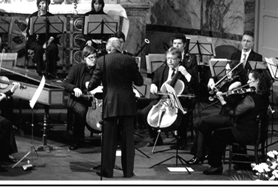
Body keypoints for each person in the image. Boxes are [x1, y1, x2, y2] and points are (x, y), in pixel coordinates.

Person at [86, 37, 144, 178]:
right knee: (128, 140)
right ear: (119, 47)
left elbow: (93, 84)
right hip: (128, 103)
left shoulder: (102, 60)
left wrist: (88, 85)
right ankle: (128, 171)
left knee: (109, 140)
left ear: (109, 47)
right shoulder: (130, 60)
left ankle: (107, 171)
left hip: (111, 102)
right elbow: (139, 81)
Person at [201, 69, 272, 174]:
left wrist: (222, 101)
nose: (247, 82)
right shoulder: (264, 96)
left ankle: (215, 165)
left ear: (257, 81)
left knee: (217, 134)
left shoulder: (251, 99)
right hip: (259, 131)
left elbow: (234, 112)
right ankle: (242, 163)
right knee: (228, 130)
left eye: (250, 79)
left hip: (247, 133)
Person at [139, 47, 194, 150]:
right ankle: (155, 138)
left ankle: (182, 140)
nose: (169, 61)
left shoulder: (185, 70)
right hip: (163, 100)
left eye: (172, 59)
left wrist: (186, 73)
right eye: (168, 58)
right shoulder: (162, 69)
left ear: (179, 59)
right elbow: (154, 80)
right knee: (145, 112)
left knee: (183, 113)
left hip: (180, 101)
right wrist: (153, 85)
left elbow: (194, 85)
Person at [62, 45, 97, 150]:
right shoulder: (77, 68)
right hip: (78, 100)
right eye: (91, 58)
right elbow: (65, 84)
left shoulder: (98, 69)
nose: (94, 60)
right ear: (84, 58)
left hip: (93, 100)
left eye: (95, 57)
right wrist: (74, 88)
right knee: (81, 111)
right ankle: (77, 140)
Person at [25, 0, 60, 79]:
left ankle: (52, 71)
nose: (44, 5)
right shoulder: (33, 16)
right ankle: (39, 71)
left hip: (48, 39)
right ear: (38, 5)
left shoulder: (51, 17)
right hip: (35, 40)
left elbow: (54, 34)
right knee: (38, 49)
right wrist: (30, 31)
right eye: (42, 3)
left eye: (46, 3)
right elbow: (29, 32)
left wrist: (48, 42)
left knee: (53, 47)